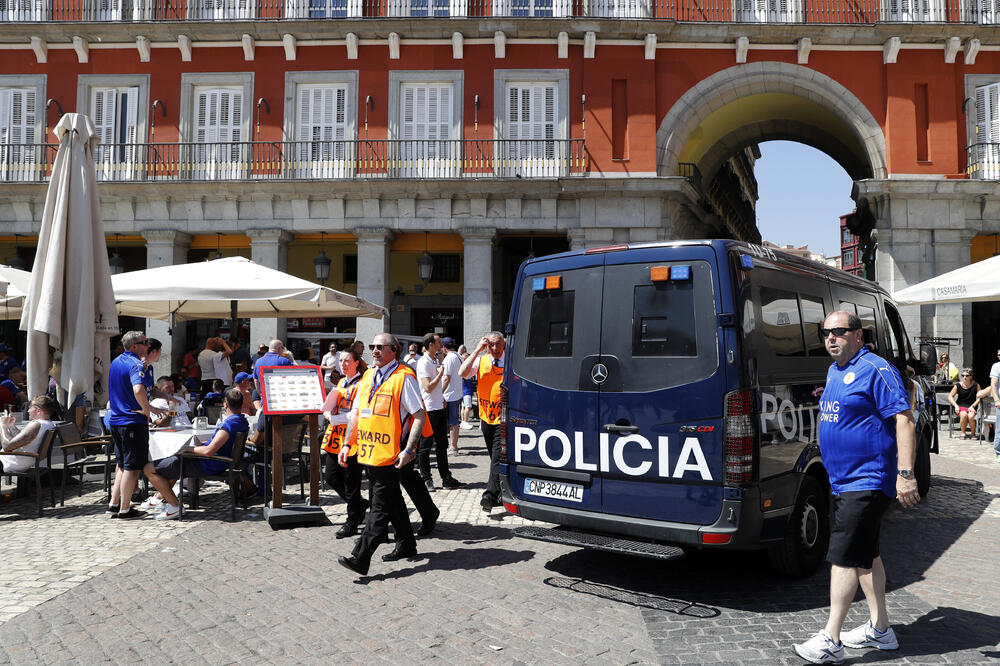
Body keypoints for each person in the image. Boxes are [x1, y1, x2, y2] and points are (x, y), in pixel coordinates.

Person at [793, 311, 919, 664]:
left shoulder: (876, 369)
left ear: (858, 335)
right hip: (843, 481)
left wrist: (906, 474)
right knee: (866, 555)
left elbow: (904, 420)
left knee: (844, 557)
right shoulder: (835, 370)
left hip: (867, 481)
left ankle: (831, 638)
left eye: (840, 331)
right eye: (826, 332)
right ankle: (881, 629)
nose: (831, 338)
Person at [336, 333, 427, 576]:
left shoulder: (403, 378)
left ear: (394, 350)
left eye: (380, 347)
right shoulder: (367, 376)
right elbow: (355, 414)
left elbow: (419, 415)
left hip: (390, 455)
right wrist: (347, 444)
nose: (374, 350)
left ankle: (361, 557)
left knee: (378, 508)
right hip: (368, 453)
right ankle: (407, 543)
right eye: (373, 346)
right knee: (393, 501)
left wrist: (409, 449)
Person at [106, 331, 182, 520]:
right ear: (134, 346)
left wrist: (167, 397)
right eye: (144, 342)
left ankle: (114, 505)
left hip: (117, 421)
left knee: (123, 465)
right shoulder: (136, 364)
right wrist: (149, 410)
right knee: (132, 467)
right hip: (131, 421)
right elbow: (139, 389)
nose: (147, 345)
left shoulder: (116, 362)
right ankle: (125, 510)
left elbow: (148, 389)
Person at [148, 389, 253, 509]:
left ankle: (174, 505)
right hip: (220, 461)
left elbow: (209, 451)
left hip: (210, 464)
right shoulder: (242, 421)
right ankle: (161, 497)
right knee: (174, 463)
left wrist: (189, 449)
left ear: (225, 404)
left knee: (150, 468)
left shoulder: (228, 425)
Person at [320, 348, 368, 538]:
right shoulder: (340, 382)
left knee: (351, 481)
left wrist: (334, 418)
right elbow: (330, 408)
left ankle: (352, 521)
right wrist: (327, 412)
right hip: (335, 438)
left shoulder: (362, 384)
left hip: (352, 438)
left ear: (356, 363)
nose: (343, 364)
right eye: (341, 361)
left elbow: (355, 415)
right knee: (331, 477)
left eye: (347, 361)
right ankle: (358, 505)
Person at [459, 331, 506, 512]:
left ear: (503, 345)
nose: (494, 348)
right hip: (486, 418)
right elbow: (462, 373)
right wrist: (478, 349)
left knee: (496, 457)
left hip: (503, 419)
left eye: (498, 345)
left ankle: (489, 495)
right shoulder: (481, 360)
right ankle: (502, 492)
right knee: (495, 458)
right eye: (491, 345)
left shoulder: (509, 360)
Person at [416, 333, 464, 491]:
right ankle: (426, 479)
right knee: (425, 447)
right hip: (428, 410)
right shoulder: (423, 362)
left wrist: (442, 398)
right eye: (438, 342)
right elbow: (428, 387)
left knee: (442, 446)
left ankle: (446, 477)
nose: (441, 344)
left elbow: (434, 388)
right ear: (431, 345)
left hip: (438, 407)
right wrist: (440, 373)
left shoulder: (435, 360)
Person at [0, 395, 57, 477]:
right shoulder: (49, 424)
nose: (28, 411)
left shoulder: (36, 425)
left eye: (30, 408)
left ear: (38, 411)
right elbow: (24, 440)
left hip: (8, 463)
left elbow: (7, 446)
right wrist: (11, 426)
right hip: (23, 461)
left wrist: (3, 425)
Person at [440, 337, 464, 453]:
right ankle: (452, 445)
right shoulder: (458, 356)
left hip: (450, 395)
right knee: (453, 421)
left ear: (444, 348)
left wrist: (440, 393)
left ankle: (453, 447)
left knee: (453, 422)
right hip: (457, 393)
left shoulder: (449, 358)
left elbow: (446, 378)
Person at [948, 368, 980, 439]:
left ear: (971, 376)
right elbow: (950, 396)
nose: (964, 377)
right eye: (963, 375)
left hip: (972, 406)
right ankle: (963, 433)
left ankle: (973, 434)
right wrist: (956, 405)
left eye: (967, 375)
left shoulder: (976, 385)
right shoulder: (958, 385)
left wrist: (973, 406)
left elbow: (979, 398)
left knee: (971, 416)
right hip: (960, 405)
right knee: (964, 414)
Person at [460, 345, 477, 430]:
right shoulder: (466, 368)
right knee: (468, 407)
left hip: (464, 390)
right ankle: (465, 422)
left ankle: (463, 422)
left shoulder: (462, 367)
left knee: (463, 407)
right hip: (466, 390)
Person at [990, 348, 1000, 461]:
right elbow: (993, 384)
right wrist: (996, 400)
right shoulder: (996, 366)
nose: (999, 356)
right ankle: (998, 452)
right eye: (998, 354)